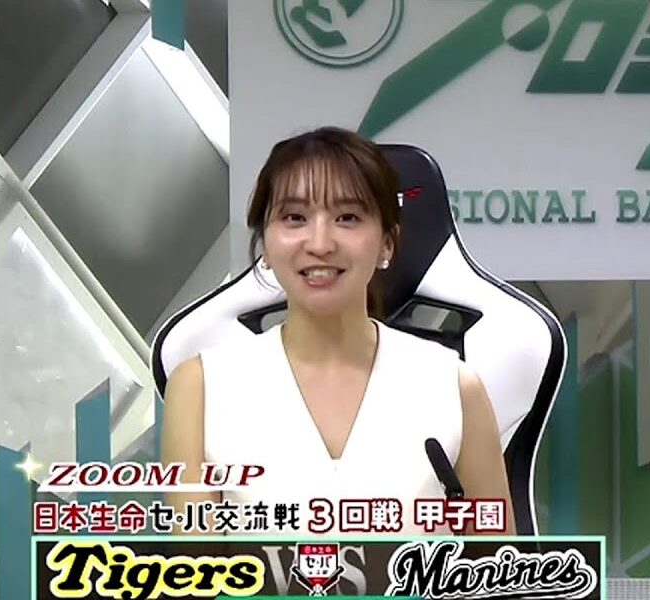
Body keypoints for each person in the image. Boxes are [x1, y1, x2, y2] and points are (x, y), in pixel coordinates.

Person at [161, 126, 512, 535]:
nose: (320, 243)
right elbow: (196, 563)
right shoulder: (201, 387)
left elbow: (498, 563)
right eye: (294, 218)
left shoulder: (454, 386)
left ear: (387, 243)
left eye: (348, 218)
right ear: (266, 245)